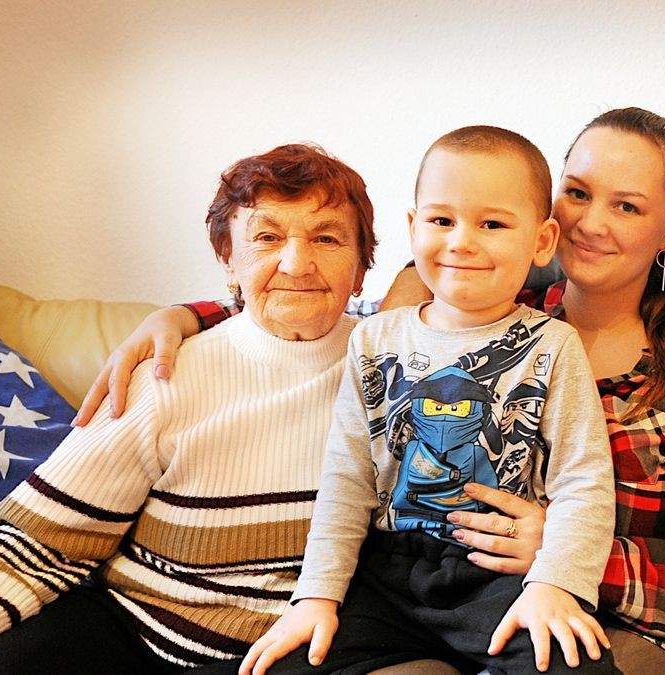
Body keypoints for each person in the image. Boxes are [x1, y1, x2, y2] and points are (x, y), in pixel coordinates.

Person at [75, 108, 665, 674]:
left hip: (575, 607)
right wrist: (187, 315)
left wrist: (568, 564)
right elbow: (313, 328)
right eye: (577, 193)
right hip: (395, 575)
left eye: (627, 205)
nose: (590, 222)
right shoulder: (430, 317)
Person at [0, 143, 378, 672]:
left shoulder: (396, 368)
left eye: (327, 238)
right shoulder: (168, 370)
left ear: (361, 268)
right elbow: (45, 540)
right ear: (229, 261)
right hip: (133, 627)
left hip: (298, 644)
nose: (297, 263)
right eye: (267, 237)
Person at [234, 125, 617, 675]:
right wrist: (316, 596)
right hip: (385, 570)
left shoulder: (553, 344)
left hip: (497, 570)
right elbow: (347, 479)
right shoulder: (374, 339)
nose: (461, 240)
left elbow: (583, 480)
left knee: (572, 662)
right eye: (442, 220)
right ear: (413, 228)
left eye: (492, 223)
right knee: (288, 664)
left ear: (541, 241)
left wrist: (557, 585)